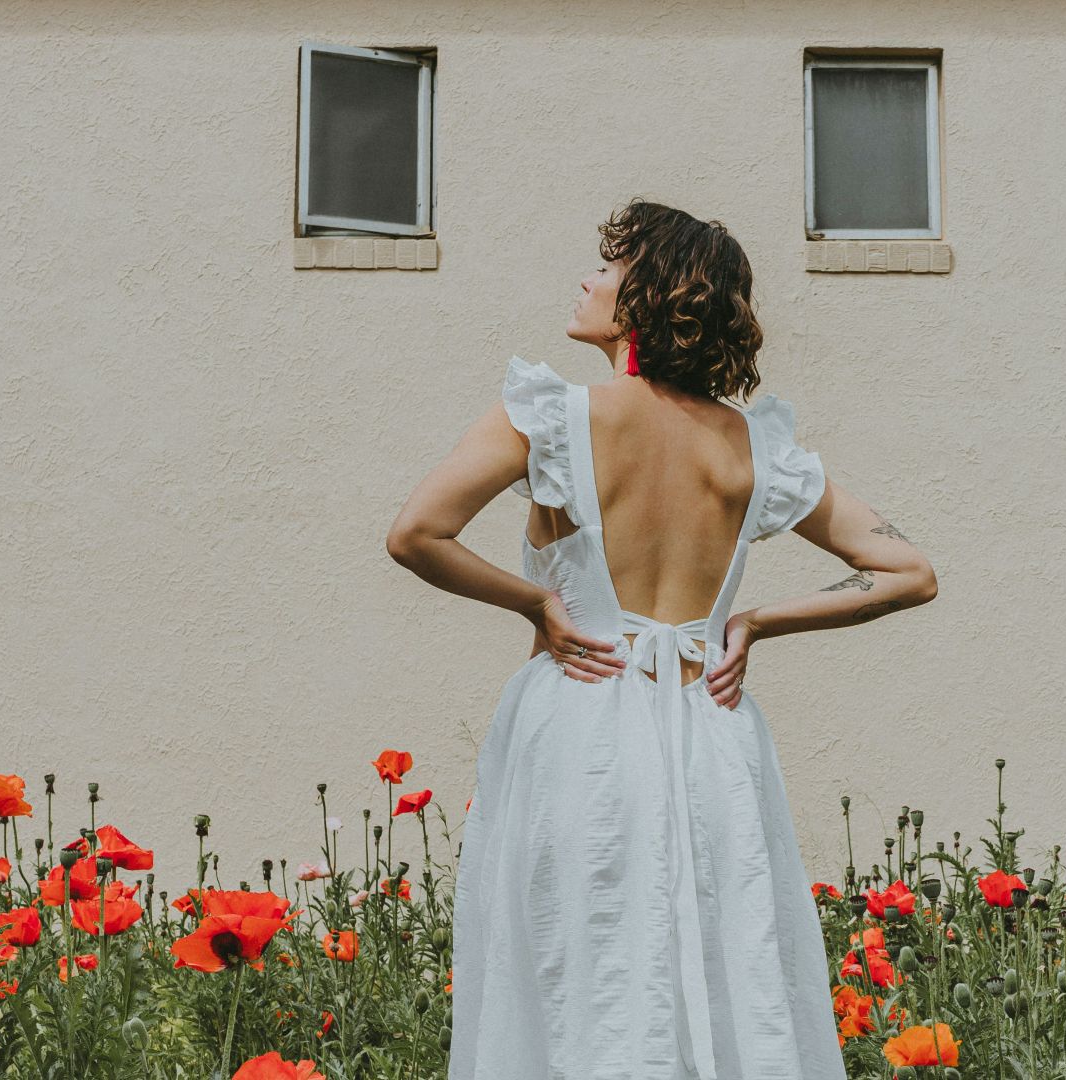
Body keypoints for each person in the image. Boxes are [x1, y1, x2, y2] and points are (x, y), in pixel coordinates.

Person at [385, 198, 939, 1080]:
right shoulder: (752, 447)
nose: (587, 279)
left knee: (574, 975)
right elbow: (908, 570)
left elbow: (416, 534)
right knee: (723, 970)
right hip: (710, 733)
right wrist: (754, 620)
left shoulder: (550, 414)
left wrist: (536, 606)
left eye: (606, 267)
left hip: (581, 723)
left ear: (647, 294)